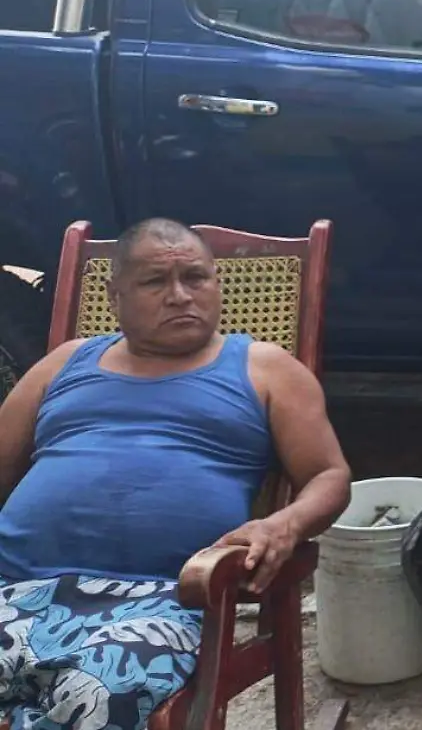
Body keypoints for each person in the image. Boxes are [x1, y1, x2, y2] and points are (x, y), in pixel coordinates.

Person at [0, 218, 352, 730]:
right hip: (16, 585)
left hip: (156, 603)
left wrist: (283, 525)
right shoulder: (66, 362)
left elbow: (329, 475)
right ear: (114, 293)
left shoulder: (264, 368)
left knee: (100, 695)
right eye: (154, 282)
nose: (180, 296)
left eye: (196, 278)